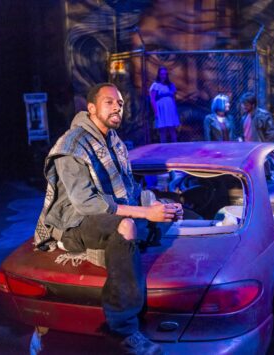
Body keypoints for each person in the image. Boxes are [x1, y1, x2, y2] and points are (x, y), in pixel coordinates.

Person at [34, 83, 183, 355]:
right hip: (74, 222)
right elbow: (86, 203)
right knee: (126, 226)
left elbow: (129, 190)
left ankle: (120, 246)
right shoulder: (72, 145)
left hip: (104, 214)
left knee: (166, 212)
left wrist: (158, 205)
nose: (117, 107)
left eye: (121, 103)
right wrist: (145, 213)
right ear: (91, 109)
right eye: (109, 102)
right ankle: (124, 330)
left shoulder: (114, 141)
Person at [149, 67, 180, 143]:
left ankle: (175, 147)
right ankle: (163, 149)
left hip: (170, 108)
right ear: (159, 74)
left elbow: (173, 98)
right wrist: (156, 111)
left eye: (165, 74)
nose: (163, 75)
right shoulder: (155, 85)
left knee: (172, 128)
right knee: (162, 130)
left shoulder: (170, 85)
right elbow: (152, 99)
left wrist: (174, 110)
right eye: (162, 74)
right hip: (161, 108)